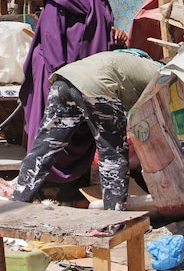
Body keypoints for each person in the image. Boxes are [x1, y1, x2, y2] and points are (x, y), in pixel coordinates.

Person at [19, 0, 127, 185]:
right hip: (55, 69)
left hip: (80, 74)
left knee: (78, 127)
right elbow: (51, 32)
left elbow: (89, 35)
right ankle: (40, 185)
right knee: (52, 126)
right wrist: (63, 74)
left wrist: (113, 38)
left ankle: (70, 186)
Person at [13, 50, 160, 210]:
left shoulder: (133, 59)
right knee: (113, 153)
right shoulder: (164, 75)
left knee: (45, 146)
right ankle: (114, 218)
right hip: (97, 86)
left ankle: (17, 202)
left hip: (63, 80)